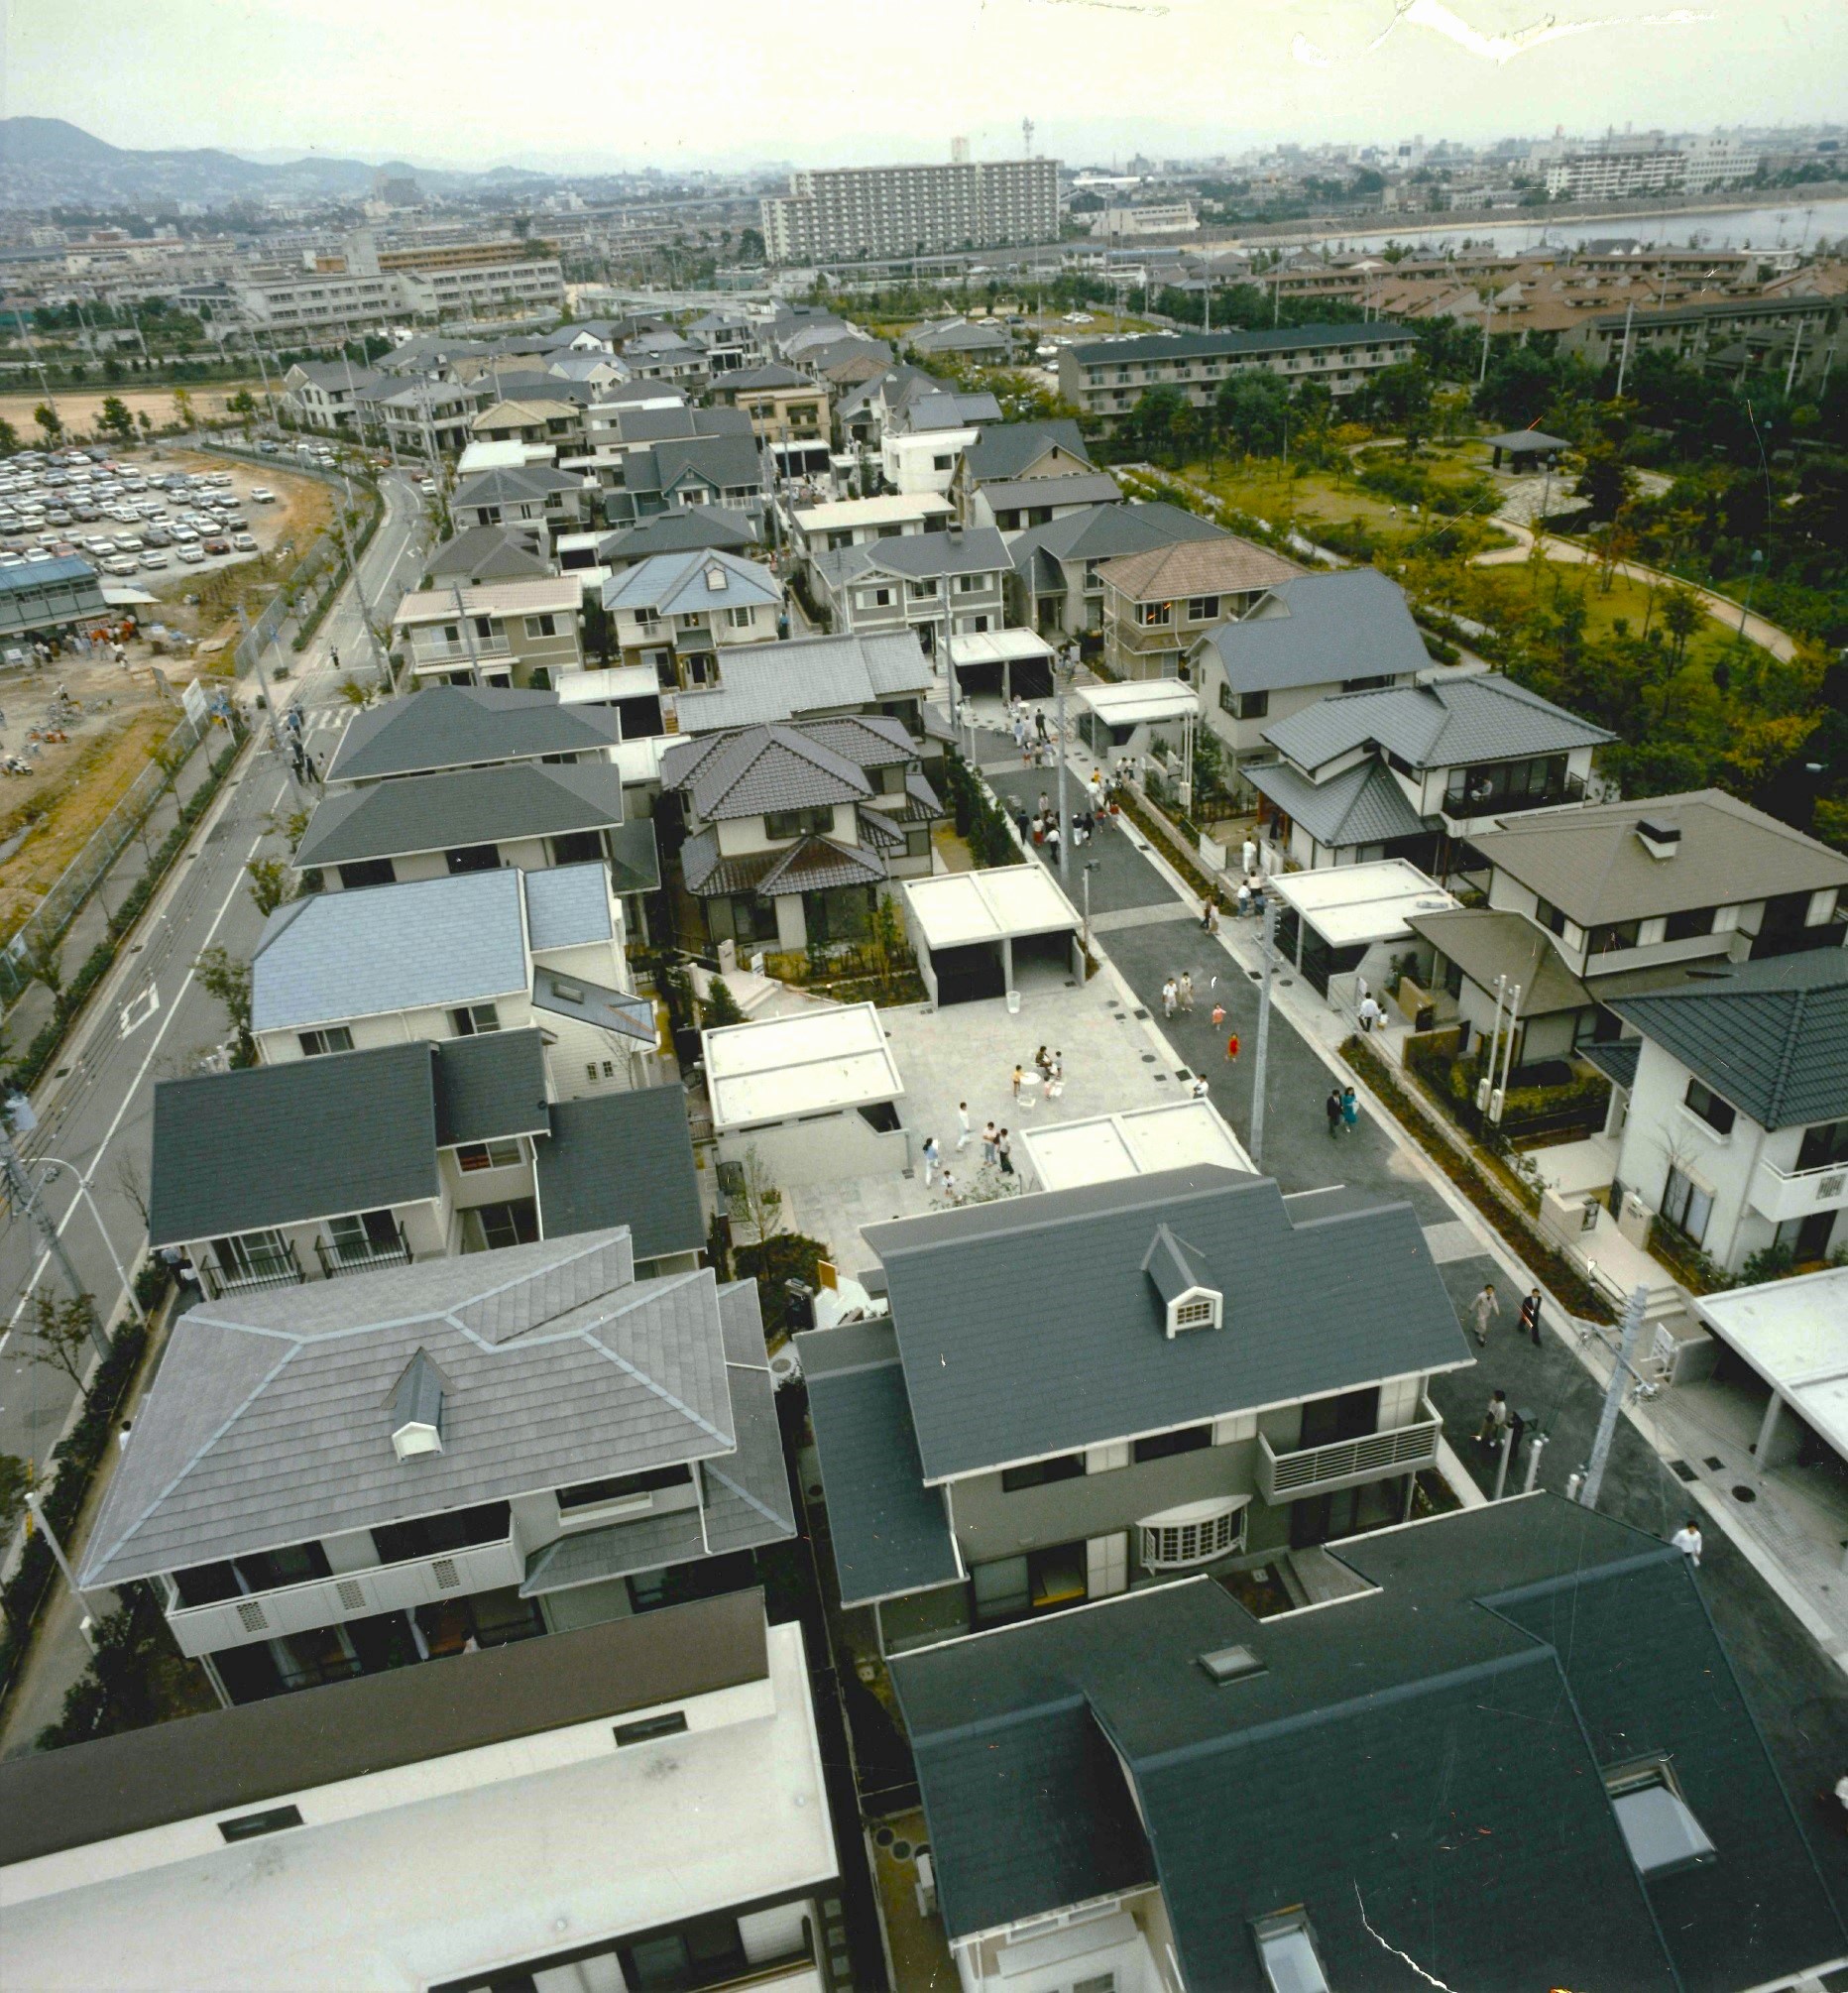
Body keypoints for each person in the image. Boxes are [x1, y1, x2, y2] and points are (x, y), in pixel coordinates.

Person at [1470, 1281, 1501, 1348]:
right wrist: (1471, 1309)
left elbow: (1494, 1302)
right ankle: (1480, 1337)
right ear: (1485, 1289)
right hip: (1481, 1312)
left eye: (1492, 1290)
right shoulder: (1480, 1296)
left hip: (1487, 1312)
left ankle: (1476, 1329)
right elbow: (1475, 1302)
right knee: (1484, 1327)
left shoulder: (1492, 1294)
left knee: (1480, 1322)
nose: (1490, 1291)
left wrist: (1497, 1311)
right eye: (1489, 1289)